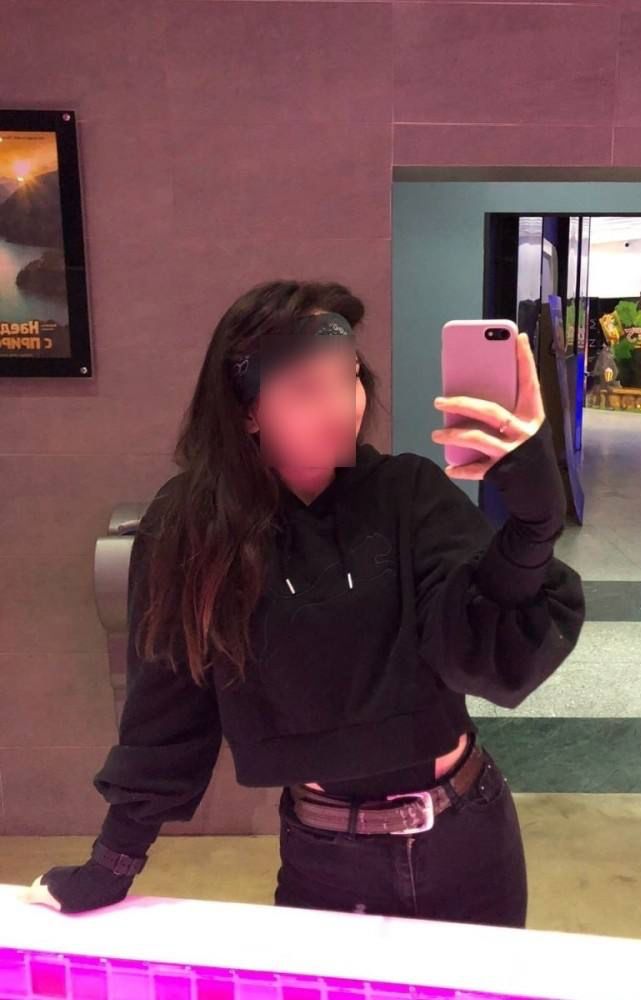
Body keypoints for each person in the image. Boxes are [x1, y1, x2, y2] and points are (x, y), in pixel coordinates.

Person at [23, 279, 585, 928]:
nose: (340, 407)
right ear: (247, 411)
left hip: (466, 839)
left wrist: (533, 528)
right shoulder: (194, 529)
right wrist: (113, 863)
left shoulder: (407, 493)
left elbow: (477, 650)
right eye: (305, 389)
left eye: (348, 378)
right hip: (326, 859)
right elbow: (166, 712)